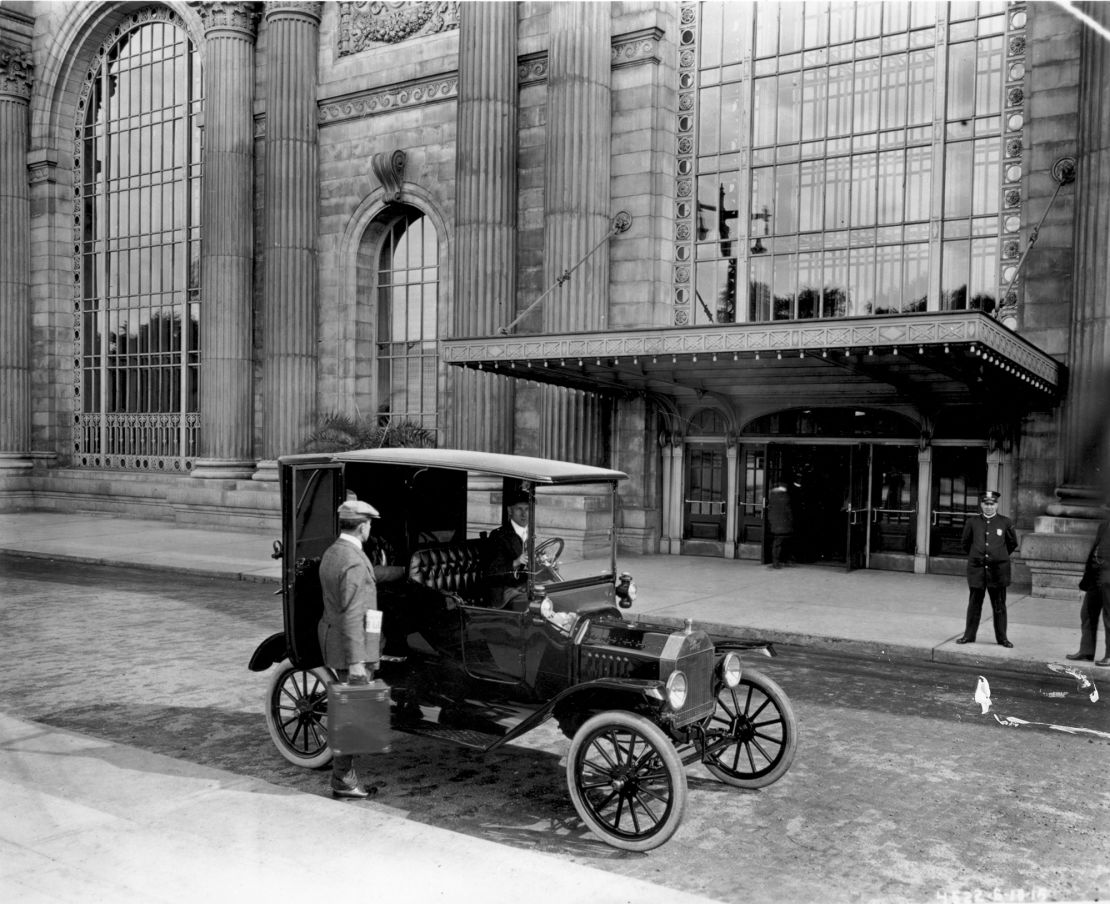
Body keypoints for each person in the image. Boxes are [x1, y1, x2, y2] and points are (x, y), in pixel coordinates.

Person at [318, 496, 381, 799]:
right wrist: (358, 662)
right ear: (363, 527)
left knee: (352, 711)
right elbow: (354, 614)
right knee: (355, 713)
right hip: (351, 648)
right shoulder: (354, 560)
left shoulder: (334, 552)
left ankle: (345, 776)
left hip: (336, 638)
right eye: (369, 524)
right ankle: (342, 778)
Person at [956, 490, 1018, 648]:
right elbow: (965, 543)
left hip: (998, 571)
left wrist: (997, 556)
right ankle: (969, 635)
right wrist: (978, 555)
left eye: (992, 504)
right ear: (981, 504)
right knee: (974, 604)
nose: (989, 507)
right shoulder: (972, 522)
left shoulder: (1005, 522)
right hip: (977, 570)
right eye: (986, 504)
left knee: (999, 606)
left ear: (996, 505)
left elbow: (1012, 544)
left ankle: (1002, 638)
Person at [1066, 517, 1110, 666]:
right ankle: (1086, 651)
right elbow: (1094, 551)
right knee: (1087, 613)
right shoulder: (1104, 523)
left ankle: (1109, 656)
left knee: (1109, 618)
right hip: (1095, 576)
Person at [485, 488, 531, 610]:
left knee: (556, 593)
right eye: (519, 509)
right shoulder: (499, 536)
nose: (524, 514)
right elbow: (493, 572)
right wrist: (516, 562)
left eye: (527, 509)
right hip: (505, 592)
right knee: (532, 602)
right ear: (510, 510)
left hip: (526, 586)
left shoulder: (532, 534)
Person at [766, 479, 794, 569]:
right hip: (784, 523)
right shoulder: (785, 497)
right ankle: (782, 561)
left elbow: (770, 510)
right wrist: (791, 521)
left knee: (777, 542)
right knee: (782, 542)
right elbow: (788, 512)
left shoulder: (772, 496)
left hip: (775, 523)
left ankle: (776, 561)